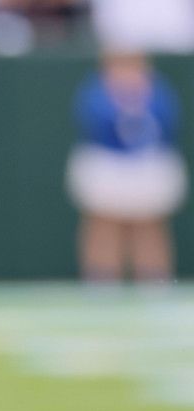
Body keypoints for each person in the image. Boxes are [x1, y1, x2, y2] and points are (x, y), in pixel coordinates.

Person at [66, 50, 186, 283]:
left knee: (149, 226)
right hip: (108, 165)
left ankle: (154, 279)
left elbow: (168, 126)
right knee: (103, 225)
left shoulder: (159, 94)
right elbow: (94, 125)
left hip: (148, 166)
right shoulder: (95, 95)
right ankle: (101, 279)